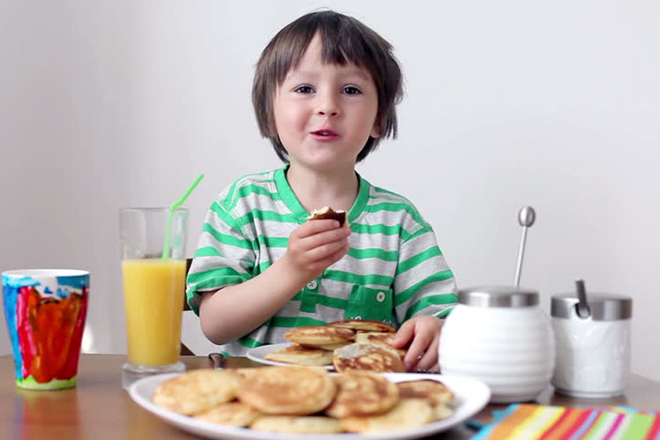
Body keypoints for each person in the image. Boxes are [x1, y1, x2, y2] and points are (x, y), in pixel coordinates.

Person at [186, 10, 457, 373]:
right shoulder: (242, 204)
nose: (327, 106)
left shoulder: (399, 222)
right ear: (270, 111)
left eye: (350, 90)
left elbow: (441, 317)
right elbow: (215, 325)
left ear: (378, 119)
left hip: (365, 406)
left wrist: (435, 328)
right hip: (261, 399)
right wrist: (292, 270)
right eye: (304, 89)